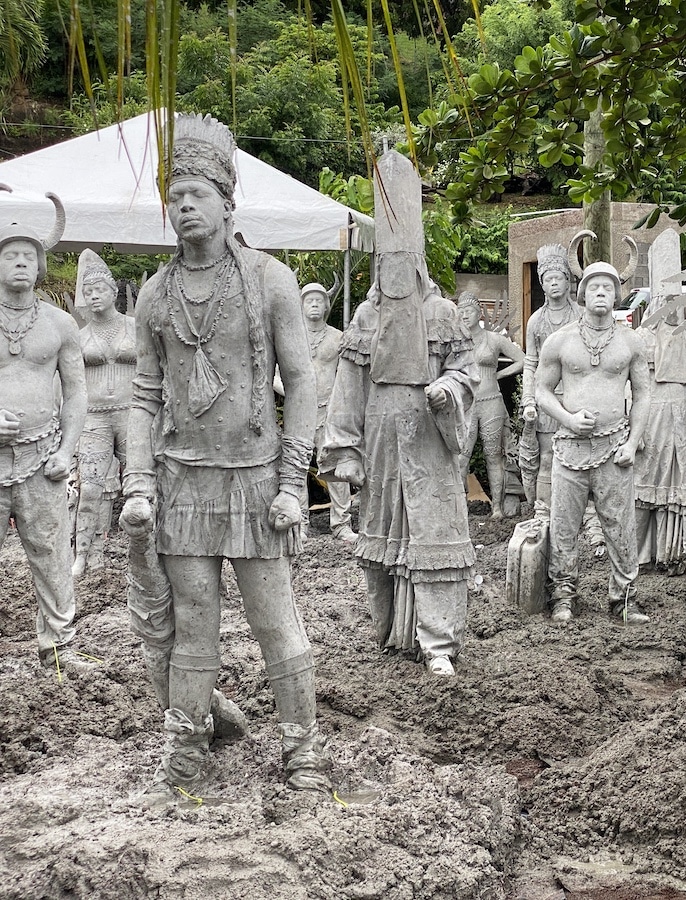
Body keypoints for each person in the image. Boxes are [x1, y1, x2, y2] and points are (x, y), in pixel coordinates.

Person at [120, 114, 331, 796]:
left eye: (197, 193)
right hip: (183, 484)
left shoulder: (270, 280)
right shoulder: (155, 294)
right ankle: (185, 747)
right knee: (195, 627)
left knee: (275, 619)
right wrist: (138, 484)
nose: (184, 206)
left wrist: (294, 481)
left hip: (257, 481)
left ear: (226, 201)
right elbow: (144, 397)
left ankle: (302, 750)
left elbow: (300, 381)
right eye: (174, 195)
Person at [320, 151, 478, 678]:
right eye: (383, 265)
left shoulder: (442, 314)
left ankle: (437, 641)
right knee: (382, 534)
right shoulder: (365, 316)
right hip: (383, 436)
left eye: (400, 264)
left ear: (417, 266)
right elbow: (348, 386)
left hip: (429, 436)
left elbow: (466, 369)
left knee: (435, 535)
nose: (393, 275)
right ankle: (390, 630)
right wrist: (344, 447)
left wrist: (448, 390)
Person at [536, 261, 650, 624]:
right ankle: (563, 595)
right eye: (594, 287)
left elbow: (644, 394)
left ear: (618, 295)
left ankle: (625, 597)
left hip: (615, 447)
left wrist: (633, 443)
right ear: (582, 293)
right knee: (564, 524)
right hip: (570, 447)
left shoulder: (632, 341)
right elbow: (540, 390)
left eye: (608, 287)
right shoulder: (560, 341)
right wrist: (567, 418)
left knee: (619, 524)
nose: (601, 293)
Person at [0, 196, 86, 667]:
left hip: (43, 460)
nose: (20, 263)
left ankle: (59, 645)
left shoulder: (59, 323)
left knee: (53, 553)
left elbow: (75, 393)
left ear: (40, 264)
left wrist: (68, 450)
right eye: (10, 254)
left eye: (28, 256)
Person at [634, 294, 686, 578]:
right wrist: (633, 428)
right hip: (652, 417)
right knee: (644, 483)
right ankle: (636, 556)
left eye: (677, 302)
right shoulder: (642, 338)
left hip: (683, 418)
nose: (673, 309)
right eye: (667, 302)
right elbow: (631, 386)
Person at [274, 281, 356, 542]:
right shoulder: (291, 337)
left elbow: (349, 374)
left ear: (326, 306)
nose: (314, 305)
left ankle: (342, 524)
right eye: (309, 300)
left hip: (330, 411)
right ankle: (301, 523)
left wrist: (340, 401)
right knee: (297, 468)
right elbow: (274, 375)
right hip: (299, 412)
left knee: (336, 468)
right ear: (301, 305)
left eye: (319, 301)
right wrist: (293, 393)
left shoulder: (337, 337)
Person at [72, 249, 136, 576]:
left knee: (140, 486)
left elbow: (158, 371)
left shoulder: (135, 328)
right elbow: (67, 380)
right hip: (93, 416)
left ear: (114, 292)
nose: (94, 296)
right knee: (90, 490)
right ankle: (85, 552)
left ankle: (145, 553)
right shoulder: (78, 336)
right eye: (87, 292)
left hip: (131, 413)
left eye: (99, 290)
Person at [520, 244, 577, 515]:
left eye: (559, 278)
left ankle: (581, 512)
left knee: (579, 453)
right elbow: (530, 362)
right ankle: (544, 509)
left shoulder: (579, 316)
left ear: (568, 281)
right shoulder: (536, 321)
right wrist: (528, 400)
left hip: (577, 394)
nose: (554, 284)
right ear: (542, 284)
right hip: (547, 396)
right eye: (548, 279)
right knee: (547, 456)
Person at [457, 292, 524, 517]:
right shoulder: (457, 341)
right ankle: (457, 508)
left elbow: (523, 360)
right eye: (461, 311)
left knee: (493, 455)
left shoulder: (494, 339)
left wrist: (497, 375)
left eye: (469, 311)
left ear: (479, 314)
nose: (464, 315)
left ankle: (497, 508)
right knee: (461, 455)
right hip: (466, 403)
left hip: (491, 401)